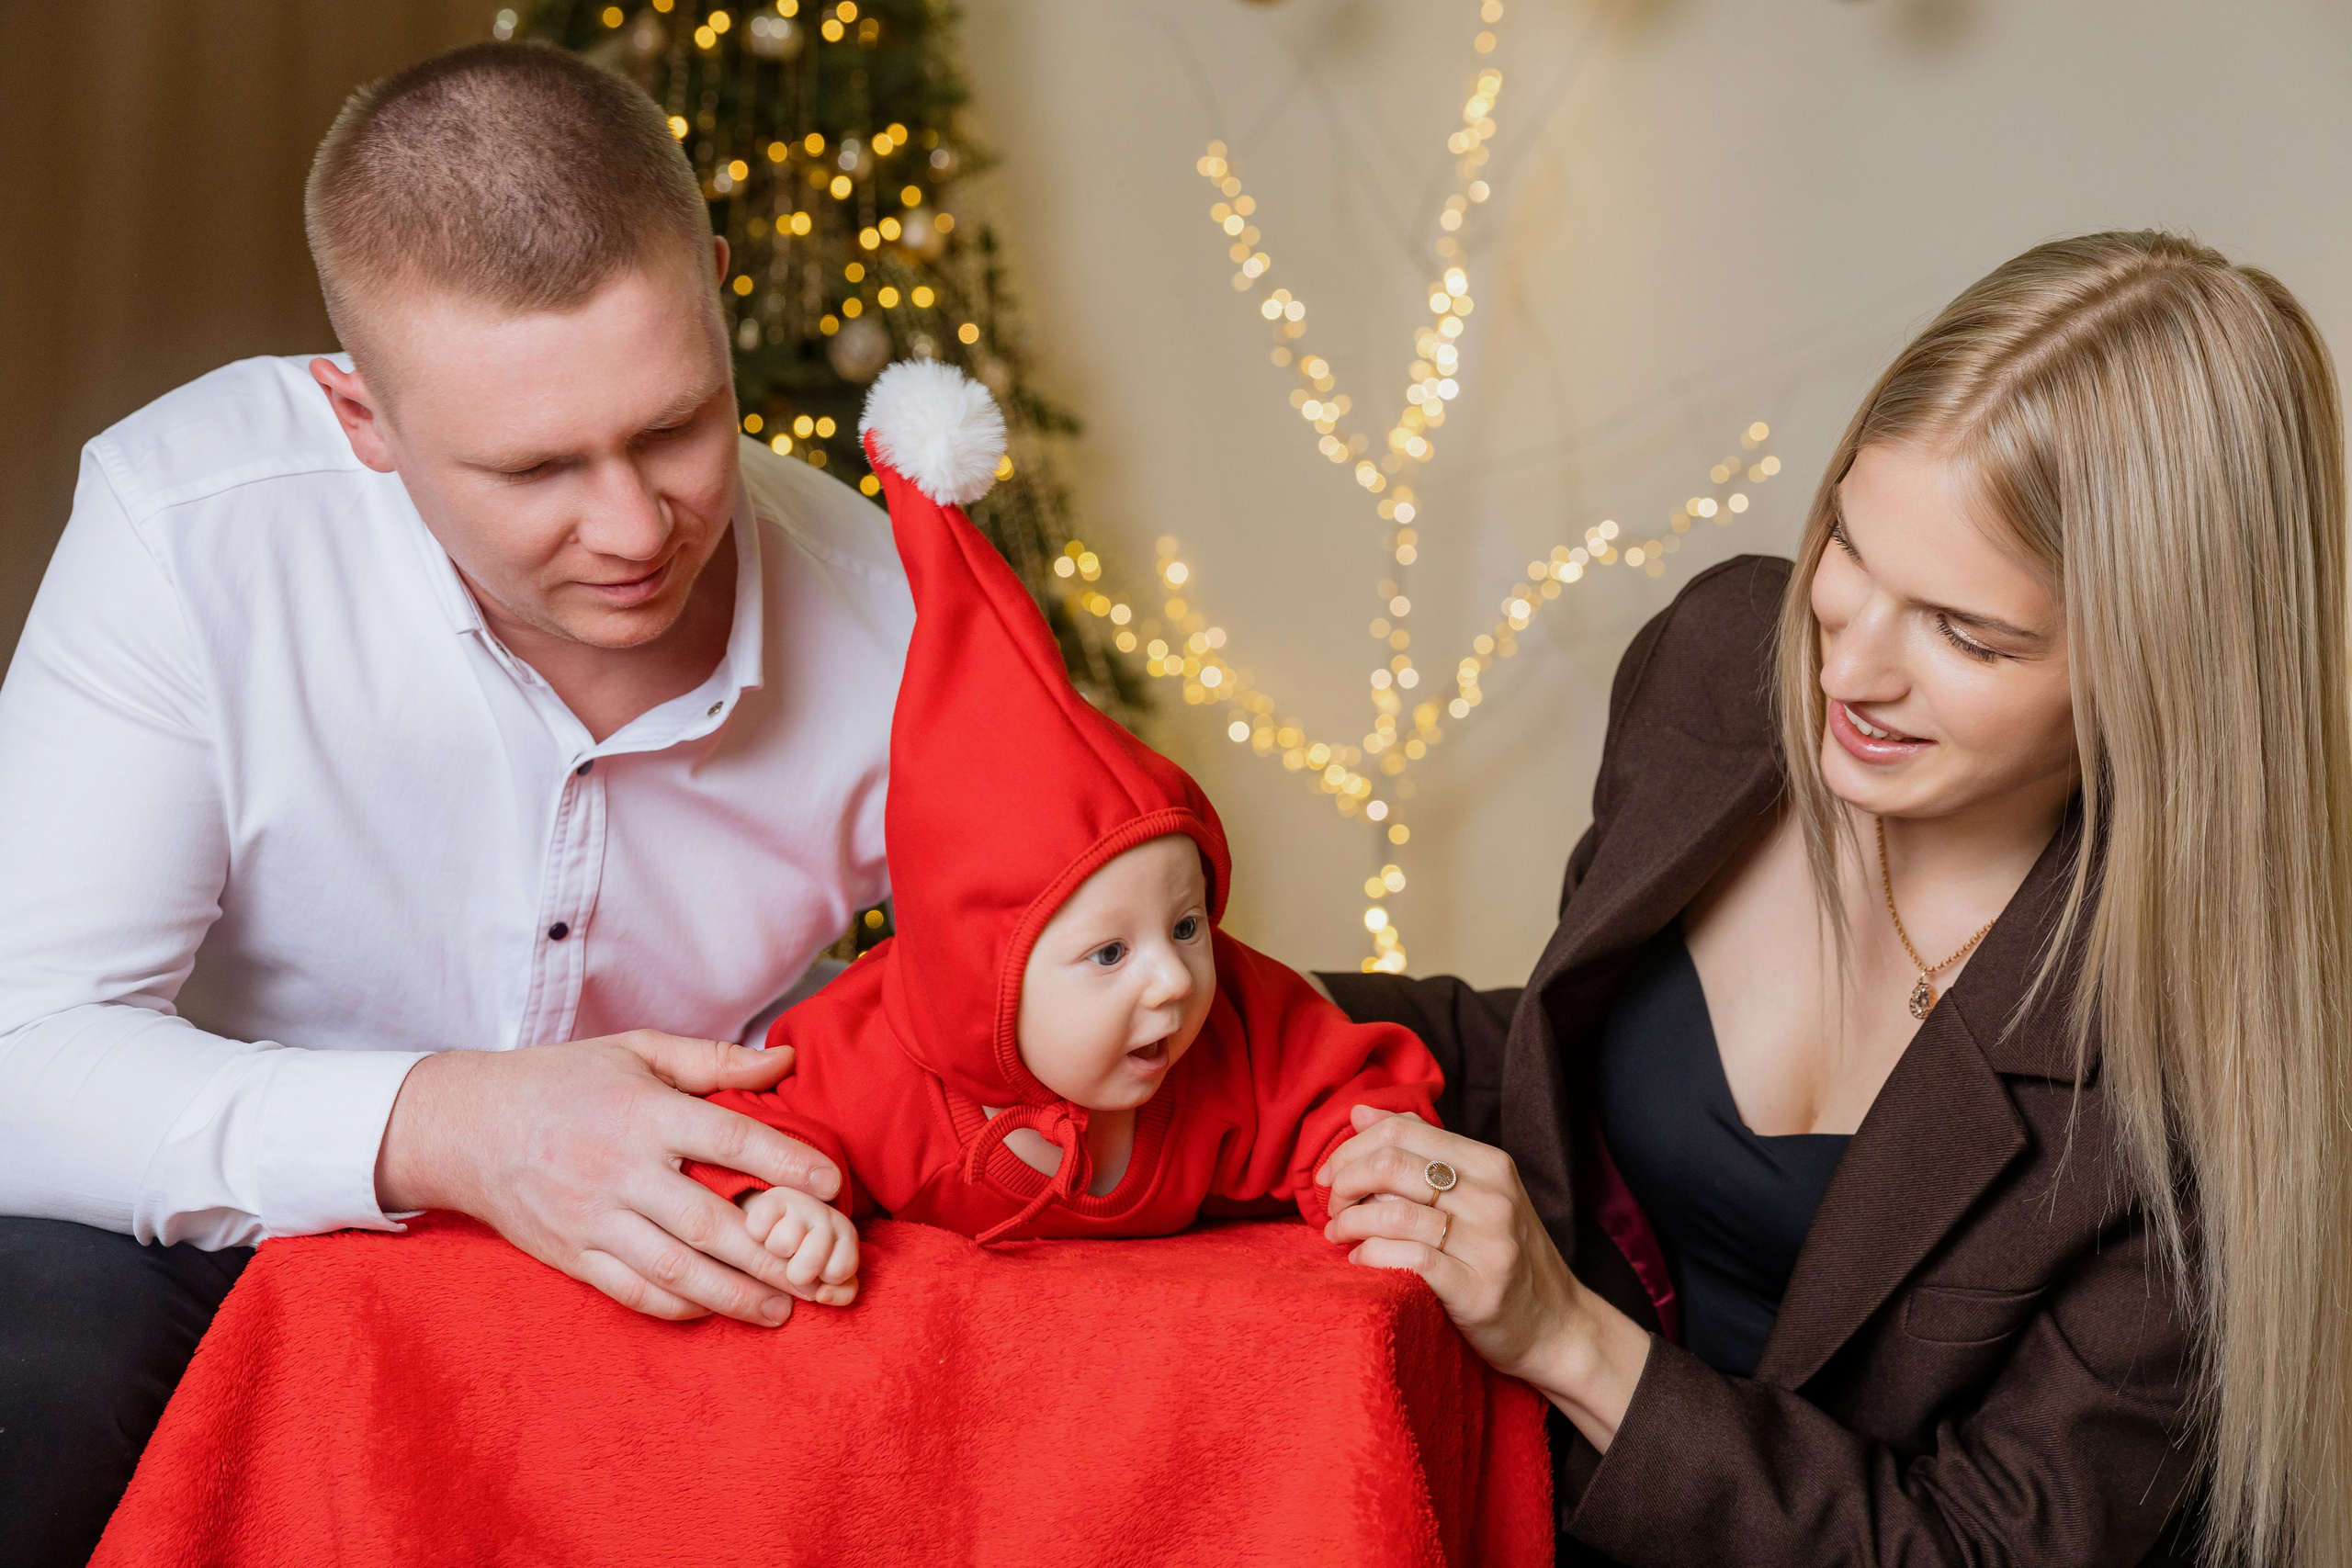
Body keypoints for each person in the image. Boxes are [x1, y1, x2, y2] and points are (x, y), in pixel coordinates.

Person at [1316, 231, 2352, 1566]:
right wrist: (1165, 978)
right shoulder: (1723, 659)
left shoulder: (2197, 1081)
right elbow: (1552, 1054)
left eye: (1966, 634)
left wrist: (1568, 1338)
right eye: (1849, 551)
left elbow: (1980, 1550)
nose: (1849, 668)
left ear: (2164, 683)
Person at [0, 43, 900, 1562]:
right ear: (361, 417)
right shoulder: (187, 530)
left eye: (677, 426)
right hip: (213, 1242)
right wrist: (449, 1125)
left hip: (693, 1258)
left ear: (723, 287)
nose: (633, 528)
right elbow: (19, 1063)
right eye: (536, 466)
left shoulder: (891, 611)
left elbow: (1042, 993)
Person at [692, 362, 1442, 1283]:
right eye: (1110, 954)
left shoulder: (1233, 1035)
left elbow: (1350, 1090)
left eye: (1184, 925)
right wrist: (780, 1204)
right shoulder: (875, 1065)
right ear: (983, 982)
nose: (1172, 980)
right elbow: (754, 1127)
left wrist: (1374, 1169)